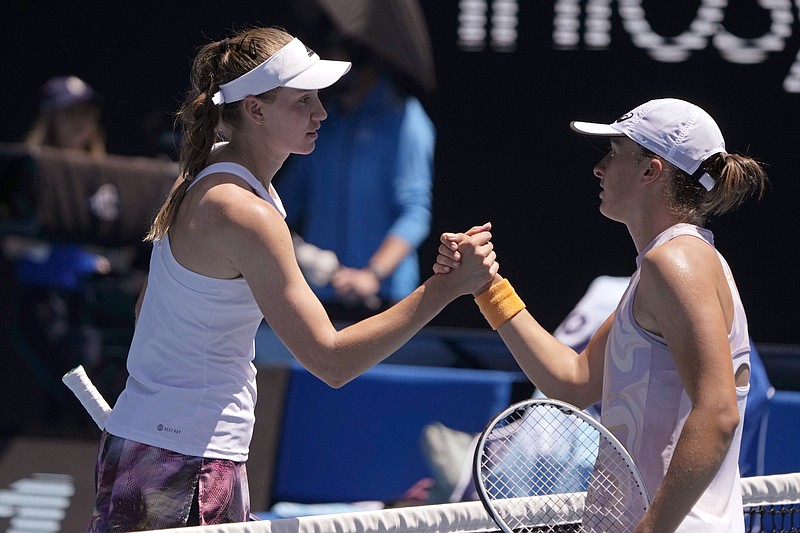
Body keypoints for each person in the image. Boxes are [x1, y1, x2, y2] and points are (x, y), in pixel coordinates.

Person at [89, 26, 497, 531]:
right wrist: (447, 287)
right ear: (255, 110)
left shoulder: (202, 175)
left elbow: (144, 307)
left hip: (145, 445)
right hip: (187, 461)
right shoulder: (247, 212)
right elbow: (331, 360)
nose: (321, 113)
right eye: (303, 101)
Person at [436, 98, 768, 532]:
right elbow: (571, 383)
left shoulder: (675, 263)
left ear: (652, 171)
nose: (600, 168)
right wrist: (487, 288)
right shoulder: (665, 266)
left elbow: (718, 412)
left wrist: (649, 530)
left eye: (614, 154)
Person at [276, 37, 435, 317]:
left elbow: (415, 213)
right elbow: (283, 204)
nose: (339, 82)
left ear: (369, 65)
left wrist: (372, 274)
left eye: (348, 70)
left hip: (381, 297)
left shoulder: (404, 117)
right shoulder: (325, 119)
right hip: (318, 292)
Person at [3, 75, 111, 427]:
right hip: (41, 303)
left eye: (86, 112)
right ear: (50, 118)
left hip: (89, 305)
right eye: (69, 113)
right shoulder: (28, 169)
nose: (80, 122)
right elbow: (14, 242)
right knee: (64, 399)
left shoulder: (106, 173)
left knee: (90, 396)